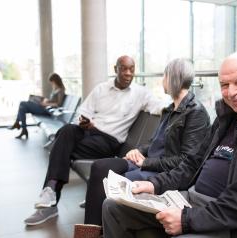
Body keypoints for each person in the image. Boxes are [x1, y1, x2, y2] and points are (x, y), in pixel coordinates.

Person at [101, 51, 237, 238]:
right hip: (190, 199)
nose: (231, 92)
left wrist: (187, 219)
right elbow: (192, 163)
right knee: (114, 207)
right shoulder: (228, 119)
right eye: (224, 85)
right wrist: (155, 184)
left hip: (233, 221)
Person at [74, 58, 210, 237]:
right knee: (99, 167)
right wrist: (140, 150)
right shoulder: (170, 109)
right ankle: (90, 231)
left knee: (113, 185)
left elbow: (185, 161)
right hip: (145, 163)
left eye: (164, 75)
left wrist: (146, 162)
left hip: (156, 170)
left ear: (172, 78)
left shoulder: (195, 113)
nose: (162, 80)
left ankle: (98, 231)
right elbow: (155, 141)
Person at [24, 55, 166, 226]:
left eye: (132, 69)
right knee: (68, 130)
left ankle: (51, 193)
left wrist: (175, 105)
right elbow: (82, 112)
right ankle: (51, 192)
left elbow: (158, 106)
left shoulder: (141, 93)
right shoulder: (101, 89)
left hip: (109, 141)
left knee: (61, 146)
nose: (128, 73)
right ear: (115, 69)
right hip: (88, 132)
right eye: (124, 69)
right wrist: (85, 122)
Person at [8, 73, 65, 139]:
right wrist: (46, 100)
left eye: (52, 82)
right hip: (45, 107)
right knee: (22, 108)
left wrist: (45, 104)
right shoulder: (55, 89)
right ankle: (23, 129)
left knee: (22, 104)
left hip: (47, 110)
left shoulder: (61, 90)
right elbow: (53, 100)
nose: (52, 84)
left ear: (55, 80)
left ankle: (20, 126)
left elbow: (58, 104)